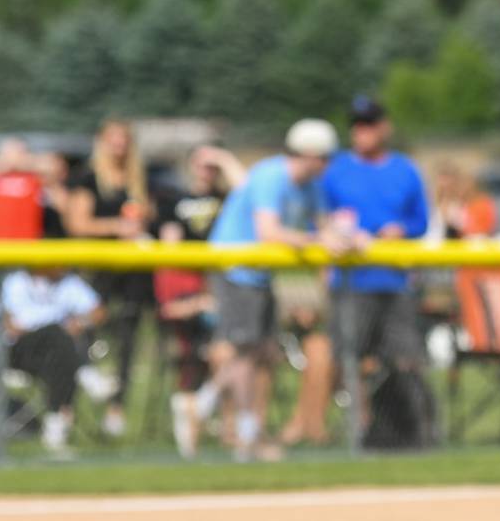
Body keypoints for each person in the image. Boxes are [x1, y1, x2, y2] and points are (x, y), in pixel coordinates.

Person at [178, 119, 338, 462]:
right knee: (246, 352)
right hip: (237, 269)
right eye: (324, 157)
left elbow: (326, 226)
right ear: (308, 154)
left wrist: (347, 239)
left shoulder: (311, 186)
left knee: (263, 351)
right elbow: (270, 232)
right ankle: (239, 429)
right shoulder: (271, 176)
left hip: (260, 274)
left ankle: (210, 409)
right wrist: (316, 241)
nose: (328, 165)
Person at [321, 96, 432, 449]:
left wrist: (401, 229)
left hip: (395, 280)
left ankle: (416, 435)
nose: (362, 132)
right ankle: (360, 435)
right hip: (351, 281)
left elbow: (421, 221)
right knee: (352, 360)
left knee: (406, 357)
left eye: (369, 123)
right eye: (357, 124)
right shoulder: (336, 170)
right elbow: (320, 217)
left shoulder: (404, 169)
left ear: (384, 127)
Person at [63, 119, 153, 439]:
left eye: (124, 139)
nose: (119, 146)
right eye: (112, 139)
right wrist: (117, 227)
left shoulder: (139, 179)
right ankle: (66, 411)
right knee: (83, 334)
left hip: (131, 273)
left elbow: (148, 216)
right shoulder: (87, 178)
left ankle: (117, 410)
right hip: (96, 271)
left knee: (127, 339)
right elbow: (78, 225)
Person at [155, 144, 245, 457]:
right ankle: (203, 409)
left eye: (212, 165)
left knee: (235, 351)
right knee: (215, 352)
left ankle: (214, 414)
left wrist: (223, 159)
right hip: (189, 288)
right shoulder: (174, 200)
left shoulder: (226, 200)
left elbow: (246, 190)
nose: (207, 170)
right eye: (202, 164)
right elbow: (168, 251)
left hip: (222, 284)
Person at [0, 245, 108, 457]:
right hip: (20, 351)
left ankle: (54, 427)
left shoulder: (69, 282)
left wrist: (81, 321)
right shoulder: (15, 281)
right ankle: (84, 373)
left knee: (60, 353)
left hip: (54, 354)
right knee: (55, 331)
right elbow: (8, 324)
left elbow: (99, 311)